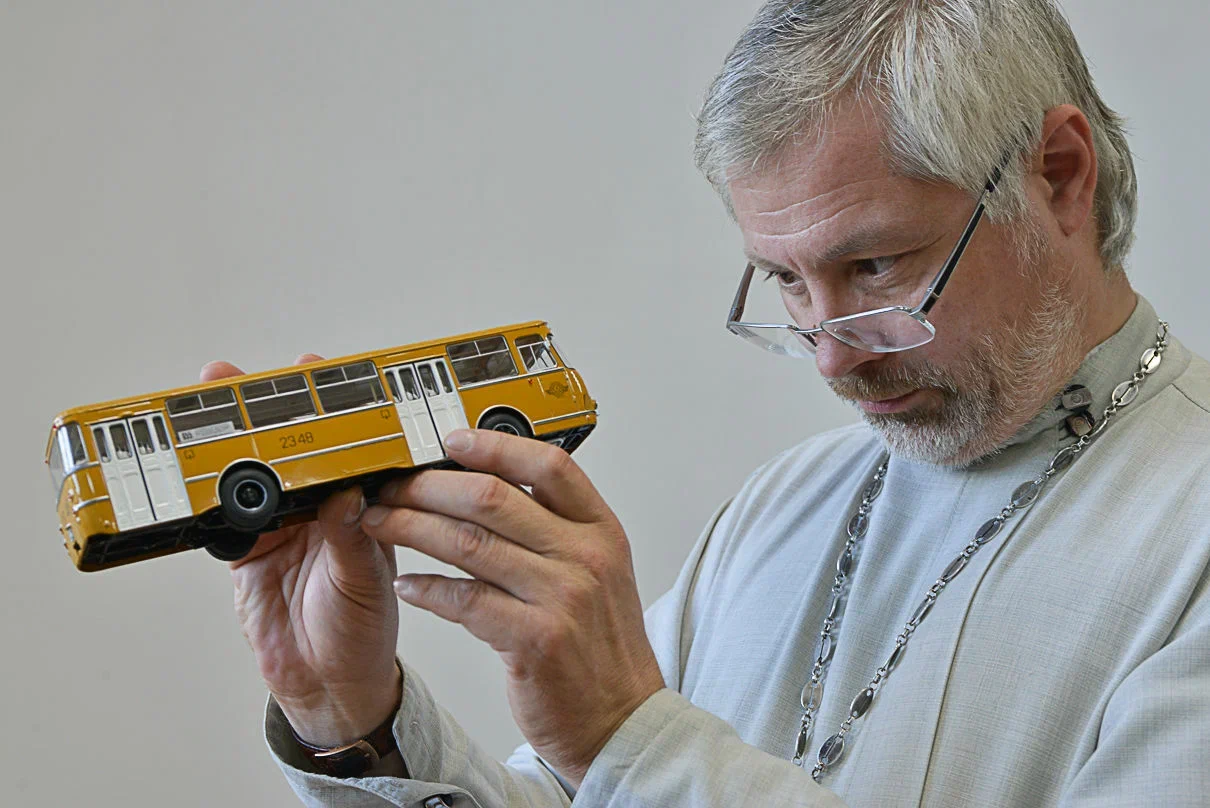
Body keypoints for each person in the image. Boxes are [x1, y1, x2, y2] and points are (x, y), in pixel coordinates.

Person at [205, 1, 1210, 805]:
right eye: (785, 282)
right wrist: (351, 723)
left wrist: (629, 735)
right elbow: (598, 787)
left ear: (1058, 176)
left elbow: (632, 758)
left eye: (875, 266)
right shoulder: (786, 501)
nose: (831, 358)